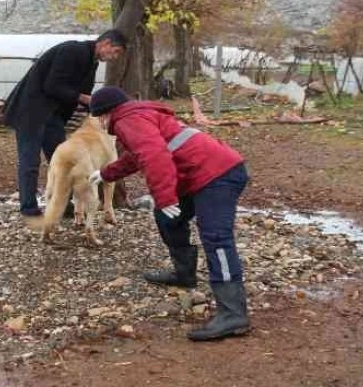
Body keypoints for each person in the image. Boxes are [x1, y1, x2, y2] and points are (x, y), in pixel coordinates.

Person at [87, 86, 250, 342]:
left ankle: (233, 313)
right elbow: (138, 157)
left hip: (217, 174)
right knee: (167, 218)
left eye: (99, 118)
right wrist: (107, 173)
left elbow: (153, 155)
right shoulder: (138, 115)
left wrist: (164, 197)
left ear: (104, 114)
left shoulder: (126, 120)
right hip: (203, 173)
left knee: (217, 239)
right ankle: (184, 274)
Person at [3, 30, 127, 216]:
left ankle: (62, 204)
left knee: (63, 158)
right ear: (106, 43)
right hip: (31, 110)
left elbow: (86, 95)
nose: (114, 57)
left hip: (53, 115)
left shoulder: (90, 62)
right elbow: (52, 85)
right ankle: (29, 208)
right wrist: (85, 99)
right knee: (30, 160)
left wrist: (100, 113)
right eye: (115, 51)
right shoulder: (73, 51)